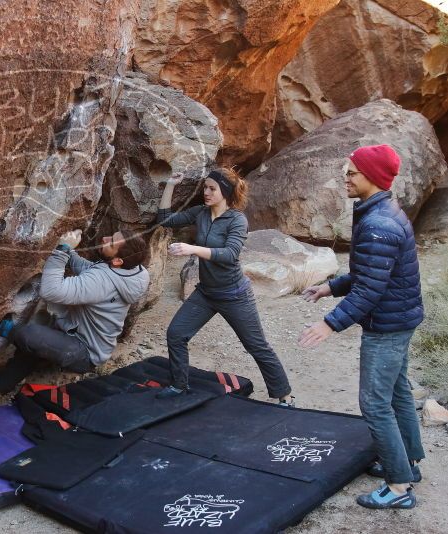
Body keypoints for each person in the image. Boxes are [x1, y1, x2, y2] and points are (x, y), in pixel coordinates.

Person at [298, 144, 424, 510]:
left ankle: (399, 486)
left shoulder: (378, 223)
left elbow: (370, 288)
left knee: (374, 402)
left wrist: (329, 323)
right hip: (400, 319)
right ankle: (408, 462)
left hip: (388, 326)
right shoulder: (381, 212)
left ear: (372, 176)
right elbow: (371, 271)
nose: (345, 177)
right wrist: (331, 286)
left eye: (352, 172)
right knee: (397, 392)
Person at [154, 168, 294, 405]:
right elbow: (165, 219)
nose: (206, 193)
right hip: (206, 293)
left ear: (225, 192)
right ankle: (179, 386)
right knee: (176, 334)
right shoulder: (201, 213)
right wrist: (170, 185)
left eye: (212, 189)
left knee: (256, 346)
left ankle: (285, 396)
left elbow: (230, 254)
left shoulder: (237, 219)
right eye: (205, 188)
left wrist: (193, 249)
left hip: (234, 295)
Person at [0, 228, 150, 403]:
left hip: (84, 351)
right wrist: (69, 251)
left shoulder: (103, 281)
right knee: (31, 349)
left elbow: (51, 291)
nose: (104, 238)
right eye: (111, 235)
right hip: (79, 336)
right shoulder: (137, 272)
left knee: (30, 335)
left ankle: (12, 333)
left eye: (111, 242)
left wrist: (62, 251)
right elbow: (90, 270)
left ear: (118, 260)